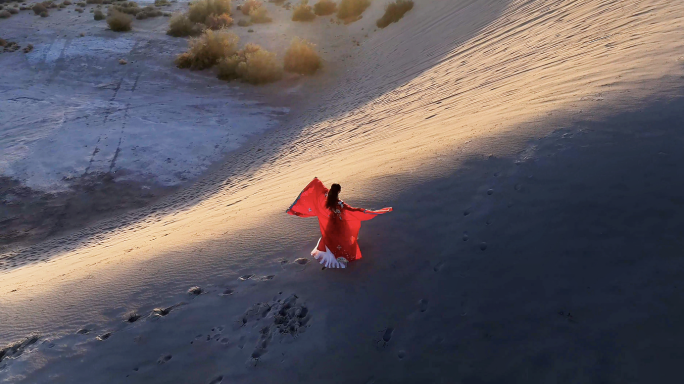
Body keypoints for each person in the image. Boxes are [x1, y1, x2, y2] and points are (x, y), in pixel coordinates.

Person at [286, 178, 392, 269]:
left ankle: (331, 255)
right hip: (338, 225)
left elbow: (319, 189)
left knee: (331, 241)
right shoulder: (339, 204)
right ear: (338, 192)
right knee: (341, 241)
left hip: (329, 226)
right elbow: (353, 211)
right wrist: (368, 212)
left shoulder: (323, 198)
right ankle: (340, 258)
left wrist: (316, 181)